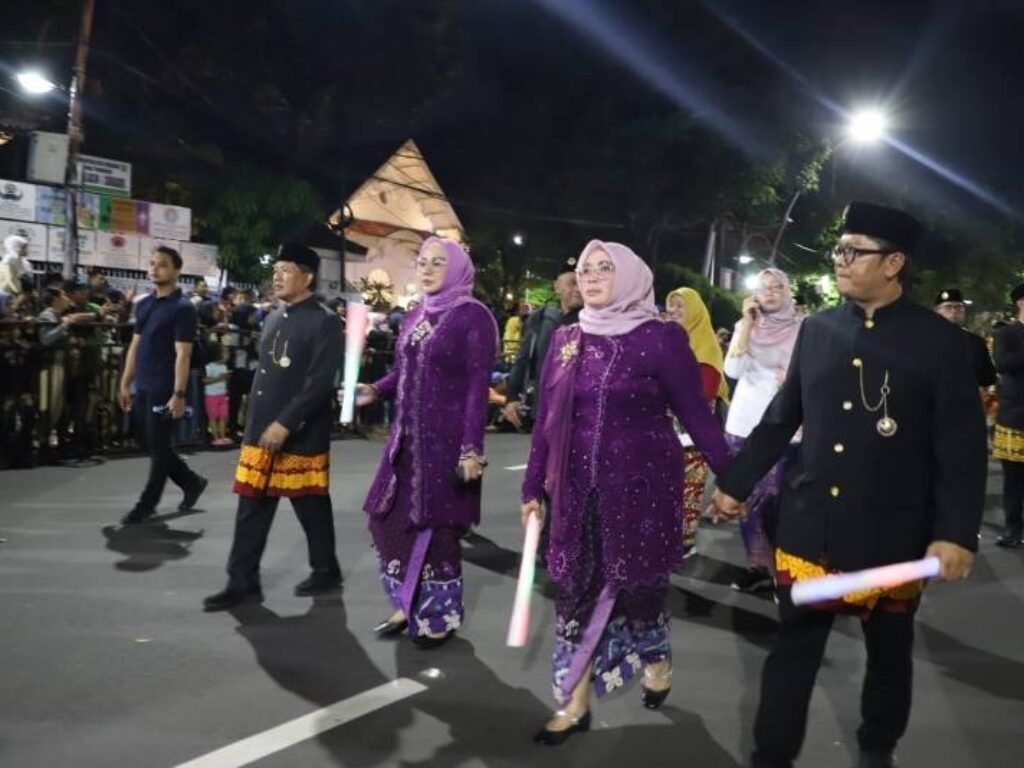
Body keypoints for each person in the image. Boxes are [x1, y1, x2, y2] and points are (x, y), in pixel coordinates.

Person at [711, 202, 986, 768]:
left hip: (893, 533)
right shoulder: (819, 329)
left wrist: (955, 532)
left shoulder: (940, 343)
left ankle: (877, 747)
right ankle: (771, 756)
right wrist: (734, 483)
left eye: (854, 252)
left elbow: (961, 449)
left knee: (889, 654)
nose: (840, 260)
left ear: (893, 263)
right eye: (839, 250)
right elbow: (782, 418)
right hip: (811, 526)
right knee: (792, 650)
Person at [521, 240, 730, 745]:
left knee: (639, 591)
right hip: (574, 492)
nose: (591, 276)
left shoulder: (660, 338)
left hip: (643, 491)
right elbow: (547, 420)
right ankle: (574, 702)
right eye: (585, 268)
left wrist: (733, 478)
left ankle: (656, 657)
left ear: (631, 276)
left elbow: (696, 414)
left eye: (604, 268)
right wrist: (532, 487)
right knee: (574, 590)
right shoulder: (567, 338)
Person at [356, 237, 498, 647]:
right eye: (422, 262)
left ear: (456, 269)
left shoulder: (473, 317)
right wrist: (376, 390)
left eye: (438, 262)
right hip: (404, 441)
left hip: (446, 445)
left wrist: (471, 449)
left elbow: (477, 388)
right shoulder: (416, 314)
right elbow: (403, 371)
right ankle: (407, 602)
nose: (428, 268)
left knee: (438, 534)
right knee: (384, 521)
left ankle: (439, 618)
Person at [204, 244, 343, 611]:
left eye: (286, 269)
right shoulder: (273, 316)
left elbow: (319, 383)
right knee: (251, 506)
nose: (277, 276)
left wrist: (285, 423)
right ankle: (242, 582)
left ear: (307, 277)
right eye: (276, 269)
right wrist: (257, 423)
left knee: (310, 505)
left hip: (300, 433)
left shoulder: (325, 321)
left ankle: (326, 570)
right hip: (261, 430)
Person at [721, 268, 803, 594]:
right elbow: (733, 370)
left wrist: (794, 381)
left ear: (787, 290)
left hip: (784, 428)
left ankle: (785, 572)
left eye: (776, 287)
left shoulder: (804, 328)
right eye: (763, 287)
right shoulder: (746, 326)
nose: (769, 292)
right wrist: (746, 325)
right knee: (746, 502)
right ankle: (757, 568)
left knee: (776, 503)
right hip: (743, 425)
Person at [118, 247, 208, 524]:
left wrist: (178, 393)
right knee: (146, 440)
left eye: (163, 264)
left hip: (165, 386)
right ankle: (191, 481)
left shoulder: (183, 308)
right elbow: (135, 345)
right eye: (152, 264)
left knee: (158, 448)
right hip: (143, 384)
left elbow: (183, 354)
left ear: (177, 270)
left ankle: (147, 504)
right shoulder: (144, 304)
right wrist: (125, 382)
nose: (155, 269)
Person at [664, 287, 729, 559]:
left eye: (681, 306)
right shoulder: (667, 341)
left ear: (695, 311)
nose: (674, 311)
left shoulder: (706, 345)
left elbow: (704, 394)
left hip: (691, 435)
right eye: (672, 305)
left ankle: (684, 544)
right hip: (664, 432)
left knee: (687, 491)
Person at [504, 263, 584, 430]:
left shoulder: (594, 321)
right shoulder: (540, 319)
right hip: (542, 405)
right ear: (557, 287)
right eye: (572, 283)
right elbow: (523, 358)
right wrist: (512, 397)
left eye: (582, 283)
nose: (578, 289)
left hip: (578, 409)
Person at [992, 284, 1024, 549]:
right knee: (1014, 480)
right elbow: (1003, 364)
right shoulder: (1007, 334)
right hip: (1016, 414)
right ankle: (1013, 529)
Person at [934, 288, 997, 389]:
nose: (954, 311)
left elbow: (988, 377)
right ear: (937, 311)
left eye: (958, 307)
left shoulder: (976, 342)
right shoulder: (924, 340)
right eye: (948, 307)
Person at [203, 340, 232, 446]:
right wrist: (219, 378)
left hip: (222, 394)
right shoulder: (209, 367)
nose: (227, 355)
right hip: (211, 395)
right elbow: (205, 380)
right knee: (213, 417)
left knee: (223, 416)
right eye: (225, 352)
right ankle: (216, 438)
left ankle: (223, 437)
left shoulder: (224, 367)